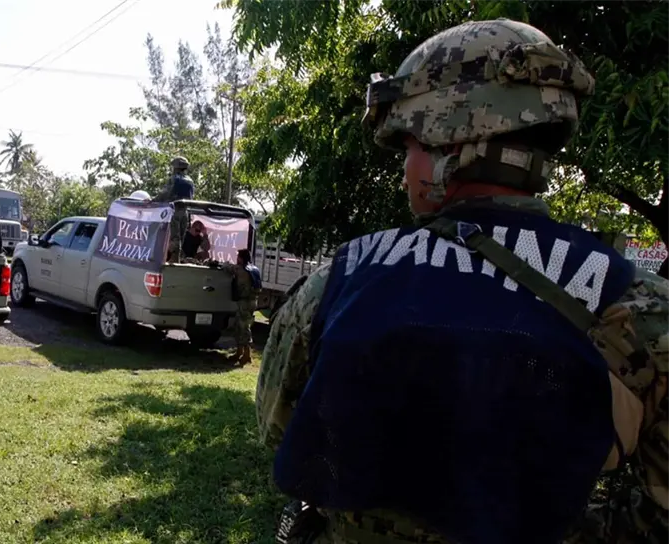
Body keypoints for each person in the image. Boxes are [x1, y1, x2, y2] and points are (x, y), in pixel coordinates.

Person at [259, 19, 669, 544]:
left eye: (409, 147)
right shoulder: (635, 306)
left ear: (449, 144)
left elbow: (279, 431)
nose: (404, 172)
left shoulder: (340, 282)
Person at [210, 248, 260, 364]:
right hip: (253, 301)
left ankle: (247, 354)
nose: (237, 258)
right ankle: (239, 352)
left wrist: (219, 263)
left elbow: (227, 267)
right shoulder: (254, 269)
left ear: (241, 258)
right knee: (239, 326)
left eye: (238, 256)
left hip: (244, 302)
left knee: (243, 328)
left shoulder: (239, 269)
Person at [156, 156, 195, 263]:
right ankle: (176, 259)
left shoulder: (174, 179)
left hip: (174, 211)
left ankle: (174, 260)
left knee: (174, 238)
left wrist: (153, 200)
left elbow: (165, 194)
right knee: (180, 238)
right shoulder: (190, 181)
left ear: (176, 167)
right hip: (185, 212)